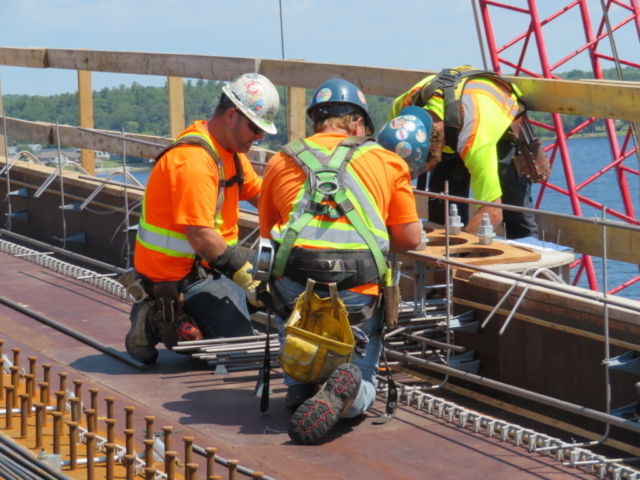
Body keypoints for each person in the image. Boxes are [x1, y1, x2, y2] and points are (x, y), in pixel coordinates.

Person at [259, 78, 422, 445]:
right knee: (363, 381)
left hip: (294, 286)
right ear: (359, 124)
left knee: (296, 323)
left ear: (316, 123)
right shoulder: (387, 160)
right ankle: (348, 395)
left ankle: (300, 386)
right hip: (357, 288)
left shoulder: (281, 159)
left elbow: (271, 231)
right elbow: (410, 239)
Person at [125, 73, 280, 364]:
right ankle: (157, 317)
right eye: (255, 128)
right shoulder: (194, 161)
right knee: (239, 352)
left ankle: (215, 313)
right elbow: (200, 236)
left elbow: (261, 196)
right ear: (232, 115)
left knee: (281, 270)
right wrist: (247, 277)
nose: (259, 137)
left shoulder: (229, 151)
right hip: (180, 277)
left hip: (210, 264)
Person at [389, 65, 540, 239]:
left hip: (496, 126)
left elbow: (492, 212)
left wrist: (460, 250)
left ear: (437, 152)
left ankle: (530, 259)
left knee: (514, 213)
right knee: (442, 210)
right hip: (452, 118)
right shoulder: (401, 116)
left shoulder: (475, 139)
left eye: (418, 168)